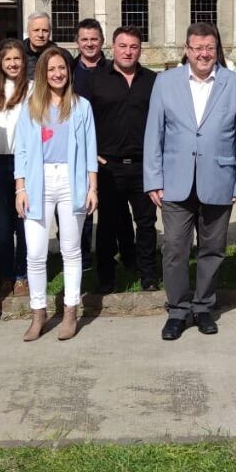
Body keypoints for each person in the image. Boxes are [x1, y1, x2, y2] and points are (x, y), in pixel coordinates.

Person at [144, 22, 236, 340]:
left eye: (209, 48)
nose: (203, 54)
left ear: (216, 49)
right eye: (197, 48)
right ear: (187, 50)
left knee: (213, 249)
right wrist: (153, 180)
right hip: (175, 182)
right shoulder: (165, 83)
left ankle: (204, 307)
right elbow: (155, 134)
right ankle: (178, 310)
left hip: (219, 179)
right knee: (175, 249)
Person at [14, 49, 98, 341]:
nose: (57, 74)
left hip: (71, 181)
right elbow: (21, 151)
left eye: (62, 68)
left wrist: (92, 187)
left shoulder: (81, 106)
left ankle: (70, 310)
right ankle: (38, 313)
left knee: (70, 251)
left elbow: (89, 150)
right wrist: (20, 187)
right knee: (35, 253)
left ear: (68, 71)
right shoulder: (30, 107)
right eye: (51, 69)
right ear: (42, 73)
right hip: (39, 182)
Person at [83, 26, 160, 292]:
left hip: (142, 165)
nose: (128, 51)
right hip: (108, 167)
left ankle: (148, 274)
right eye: (123, 46)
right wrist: (91, 156)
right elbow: (82, 122)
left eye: (134, 47)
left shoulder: (153, 81)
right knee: (107, 225)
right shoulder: (96, 81)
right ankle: (105, 277)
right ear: (112, 47)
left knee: (147, 223)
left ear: (140, 49)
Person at [0, 38, 30, 298]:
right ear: (0, 62)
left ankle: (22, 275)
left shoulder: (33, 89)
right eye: (7, 59)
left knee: (24, 220)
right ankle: (5, 274)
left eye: (17, 59)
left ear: (24, 61)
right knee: (1, 222)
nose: (13, 63)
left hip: (24, 162)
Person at [71, 18, 107, 270]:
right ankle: (80, 259)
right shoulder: (69, 70)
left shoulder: (113, 70)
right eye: (84, 39)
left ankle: (111, 254)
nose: (89, 44)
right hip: (77, 151)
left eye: (94, 39)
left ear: (102, 41)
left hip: (107, 150)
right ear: (77, 43)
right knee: (79, 208)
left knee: (111, 211)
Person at [22, 11, 73, 78]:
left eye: (45, 30)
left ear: (50, 32)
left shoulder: (64, 56)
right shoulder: (18, 54)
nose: (40, 35)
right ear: (28, 31)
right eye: (36, 30)